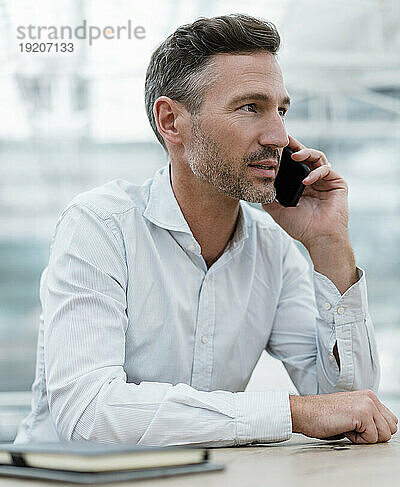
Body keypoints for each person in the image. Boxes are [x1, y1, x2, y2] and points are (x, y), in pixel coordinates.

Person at [15, 13, 397, 446]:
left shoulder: (272, 247)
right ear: (171, 122)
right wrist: (289, 413)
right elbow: (89, 411)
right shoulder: (99, 227)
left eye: (281, 109)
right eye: (251, 107)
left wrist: (328, 244)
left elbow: (349, 408)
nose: (278, 135)